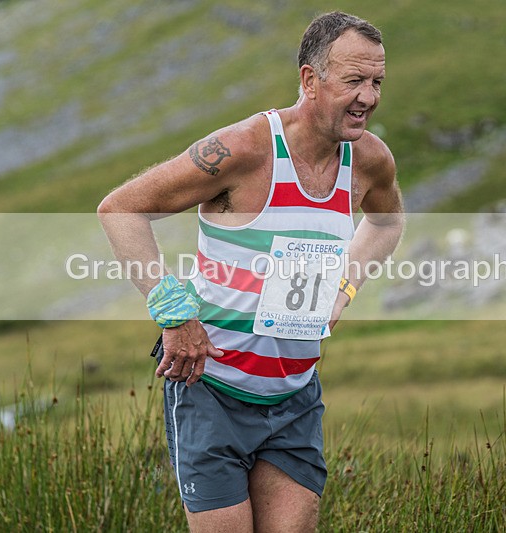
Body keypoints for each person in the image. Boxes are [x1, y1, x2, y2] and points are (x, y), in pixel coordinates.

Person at [98, 11, 404, 532]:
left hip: (294, 396)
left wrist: (343, 288)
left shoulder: (370, 159)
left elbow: (387, 222)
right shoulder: (246, 149)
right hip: (210, 388)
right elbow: (120, 209)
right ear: (310, 80)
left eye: (377, 82)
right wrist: (173, 311)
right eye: (354, 81)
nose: (369, 98)